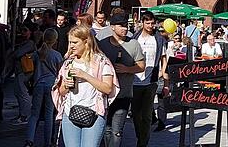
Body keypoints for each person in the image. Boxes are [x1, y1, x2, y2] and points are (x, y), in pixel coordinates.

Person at [54, 25, 117, 147]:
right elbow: (61, 92)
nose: (71, 45)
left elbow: (108, 88)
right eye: (70, 42)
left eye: (75, 42)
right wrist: (66, 85)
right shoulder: (68, 63)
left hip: (95, 113)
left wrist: (85, 76)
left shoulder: (102, 61)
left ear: (86, 41)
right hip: (70, 112)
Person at [97, 12, 146, 147]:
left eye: (126, 26)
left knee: (117, 131)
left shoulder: (134, 44)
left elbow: (141, 66)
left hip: (124, 93)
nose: (125, 28)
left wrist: (127, 69)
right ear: (112, 27)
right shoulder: (102, 44)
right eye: (121, 26)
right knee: (106, 129)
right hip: (105, 94)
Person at [131, 11, 167, 147]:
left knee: (146, 115)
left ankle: (142, 143)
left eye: (153, 23)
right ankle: (140, 136)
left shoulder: (158, 39)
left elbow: (164, 58)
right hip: (135, 79)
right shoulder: (135, 38)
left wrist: (163, 73)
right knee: (135, 113)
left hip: (151, 78)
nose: (151, 26)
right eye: (148, 23)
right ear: (142, 23)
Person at [25, 28, 64, 147]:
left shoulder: (36, 53)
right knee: (49, 114)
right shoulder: (57, 55)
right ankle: (48, 142)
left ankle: (29, 140)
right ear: (55, 40)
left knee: (34, 114)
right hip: (51, 86)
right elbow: (60, 73)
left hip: (38, 84)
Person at [12, 25, 36, 125]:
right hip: (21, 70)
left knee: (23, 93)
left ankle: (24, 116)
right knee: (19, 92)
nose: (22, 33)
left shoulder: (30, 43)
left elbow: (16, 54)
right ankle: (21, 114)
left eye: (25, 30)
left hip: (25, 71)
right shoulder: (23, 43)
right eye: (21, 30)